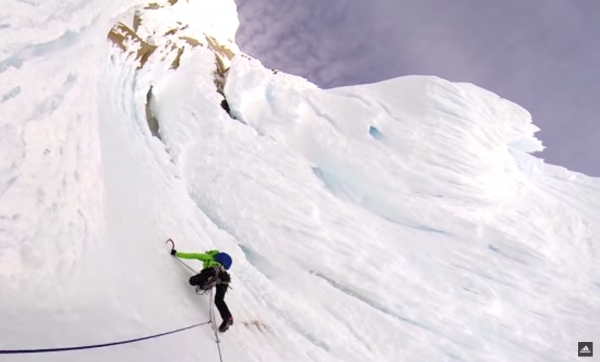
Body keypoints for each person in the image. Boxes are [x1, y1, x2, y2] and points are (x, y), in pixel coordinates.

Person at [171, 248, 234, 333]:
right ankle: (227, 317)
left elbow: (193, 255)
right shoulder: (222, 263)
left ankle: (207, 282)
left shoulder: (208, 257)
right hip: (224, 279)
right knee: (219, 300)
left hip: (213, 271)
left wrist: (177, 254)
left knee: (193, 281)